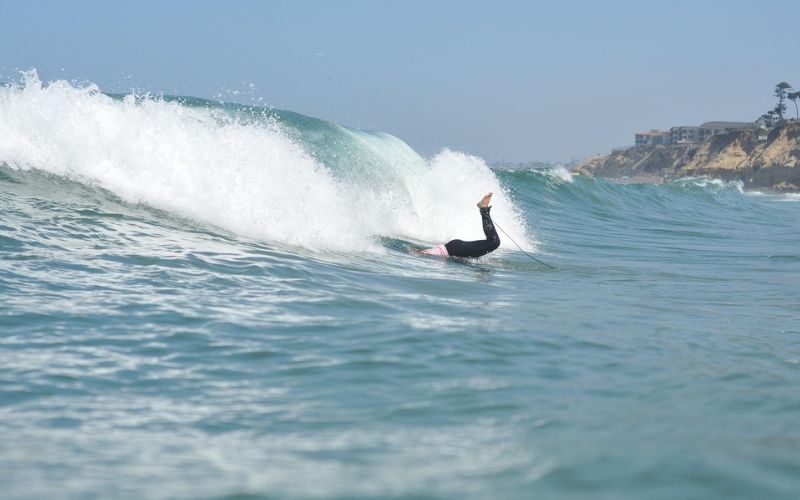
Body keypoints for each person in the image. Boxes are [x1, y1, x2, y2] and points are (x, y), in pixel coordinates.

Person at [420, 192, 501, 258]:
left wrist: (415, 253)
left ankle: (484, 209)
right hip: (455, 249)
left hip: (455, 250)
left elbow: (421, 253)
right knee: (493, 243)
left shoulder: (428, 254)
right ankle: (484, 209)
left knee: (494, 242)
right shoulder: (430, 254)